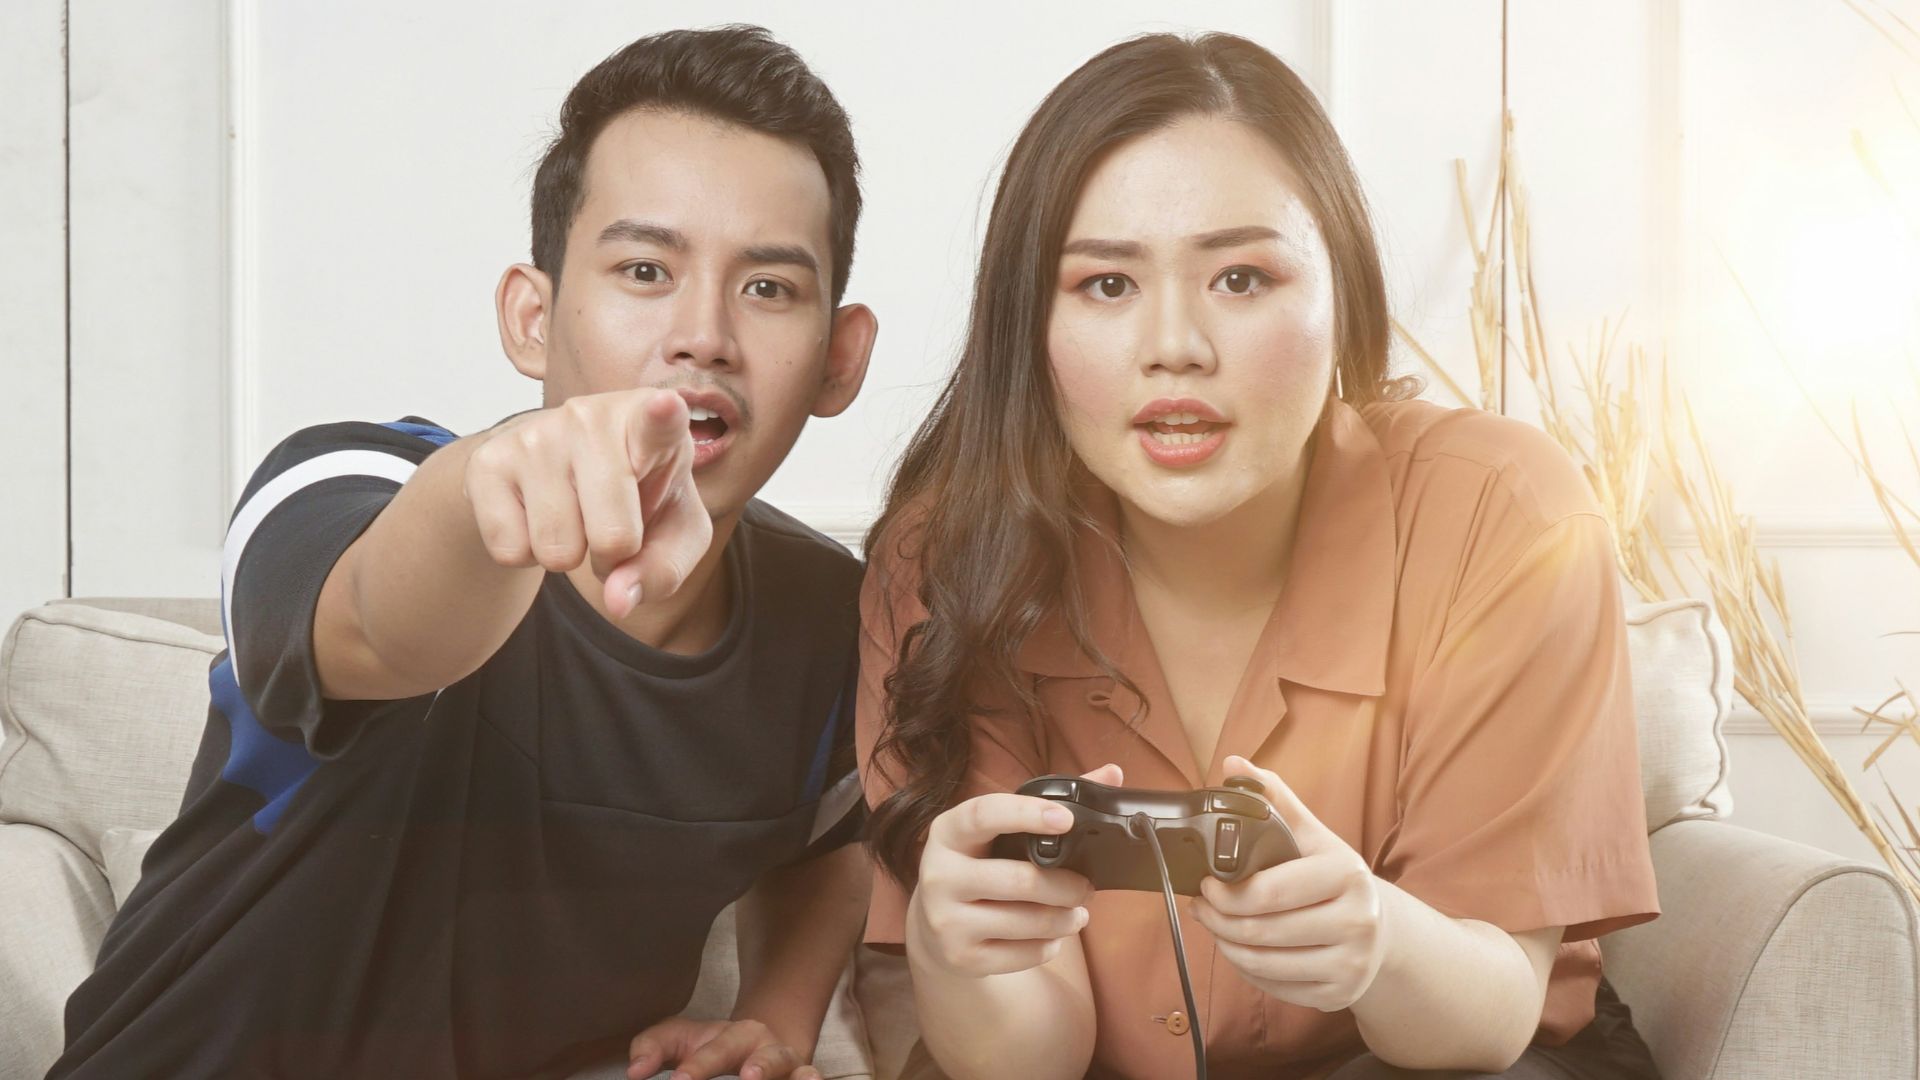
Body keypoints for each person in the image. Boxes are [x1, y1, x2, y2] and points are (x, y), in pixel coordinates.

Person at [51, 25, 877, 1080]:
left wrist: (775, 1014)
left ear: (839, 359)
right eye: (643, 269)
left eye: (768, 288)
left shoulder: (828, 617)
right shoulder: (344, 486)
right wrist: (488, 497)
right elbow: (378, 628)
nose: (703, 333)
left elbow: (826, 844)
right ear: (532, 319)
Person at [855, 32, 1663, 1080]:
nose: (1176, 344)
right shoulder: (947, 558)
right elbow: (1028, 1060)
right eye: (1105, 285)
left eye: (1241, 277)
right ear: (1029, 322)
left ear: (1345, 298)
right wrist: (956, 956)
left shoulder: (1504, 515)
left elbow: (1488, 1020)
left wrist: (1374, 939)